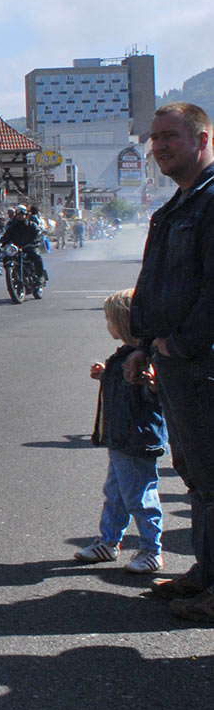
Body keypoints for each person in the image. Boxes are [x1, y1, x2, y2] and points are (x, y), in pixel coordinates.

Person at [123, 103, 214, 619]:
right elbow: (162, 285)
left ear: (202, 139)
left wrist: (176, 345)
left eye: (169, 136)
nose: (158, 146)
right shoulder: (179, 205)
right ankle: (205, 575)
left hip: (203, 362)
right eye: (154, 138)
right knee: (198, 476)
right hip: (180, 364)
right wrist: (142, 344)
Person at [74, 288, 165, 573]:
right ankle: (109, 541)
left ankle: (152, 549)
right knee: (116, 493)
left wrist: (150, 384)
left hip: (137, 439)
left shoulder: (146, 359)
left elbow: (156, 396)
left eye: (109, 319)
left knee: (139, 496)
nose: (107, 325)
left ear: (123, 323)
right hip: (120, 439)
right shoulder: (126, 354)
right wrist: (104, 373)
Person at [0, 206, 48, 284]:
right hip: (16, 249)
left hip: (29, 247)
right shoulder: (13, 227)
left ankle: (40, 276)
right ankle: (14, 275)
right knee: (6, 258)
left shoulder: (31, 225)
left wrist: (35, 241)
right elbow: (6, 237)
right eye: (18, 214)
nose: (20, 216)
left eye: (22, 214)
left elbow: (38, 233)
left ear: (26, 215)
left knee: (36, 256)